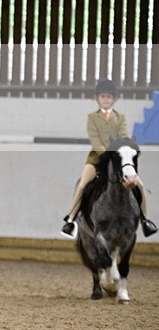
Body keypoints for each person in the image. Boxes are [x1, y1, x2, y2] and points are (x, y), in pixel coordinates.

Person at [61, 78, 157, 239]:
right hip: (97, 159)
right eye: (103, 96)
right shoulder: (92, 118)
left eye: (109, 97)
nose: (106, 99)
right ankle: (71, 220)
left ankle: (145, 220)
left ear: (114, 99)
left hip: (118, 158)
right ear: (97, 99)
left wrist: (118, 153)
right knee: (83, 185)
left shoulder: (121, 118)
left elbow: (124, 137)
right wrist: (107, 154)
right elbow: (95, 139)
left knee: (139, 185)